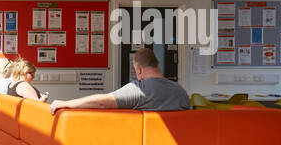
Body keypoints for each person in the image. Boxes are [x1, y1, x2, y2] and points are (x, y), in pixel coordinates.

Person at [50, 48, 190, 112]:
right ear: (157, 65)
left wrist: (66, 103)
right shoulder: (180, 91)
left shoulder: (139, 89)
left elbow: (101, 103)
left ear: (139, 69)